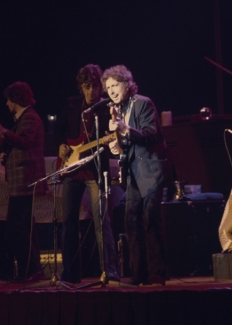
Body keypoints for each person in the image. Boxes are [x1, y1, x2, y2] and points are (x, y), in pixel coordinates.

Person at [103, 64, 173, 286]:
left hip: (151, 170)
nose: (111, 91)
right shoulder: (120, 109)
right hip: (133, 172)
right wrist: (117, 146)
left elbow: (152, 135)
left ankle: (157, 272)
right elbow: (128, 142)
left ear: (126, 84)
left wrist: (124, 129)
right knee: (131, 221)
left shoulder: (143, 103)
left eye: (115, 85)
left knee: (150, 219)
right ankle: (138, 273)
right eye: (108, 88)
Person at [55, 64, 120, 284]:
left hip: (94, 171)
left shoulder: (107, 108)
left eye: (94, 86)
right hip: (72, 170)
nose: (91, 91)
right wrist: (62, 145)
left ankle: (109, 272)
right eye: (87, 86)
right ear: (81, 87)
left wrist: (111, 137)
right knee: (68, 223)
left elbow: (113, 136)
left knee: (102, 222)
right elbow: (58, 131)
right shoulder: (73, 106)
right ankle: (70, 274)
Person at [0, 81, 47, 282]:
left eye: (8, 100)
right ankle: (32, 270)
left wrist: (1, 130)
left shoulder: (29, 117)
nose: (6, 104)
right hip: (21, 178)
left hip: (25, 179)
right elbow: (18, 144)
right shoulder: (23, 118)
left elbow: (25, 142)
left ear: (15, 99)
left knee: (15, 226)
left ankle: (31, 269)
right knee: (25, 225)